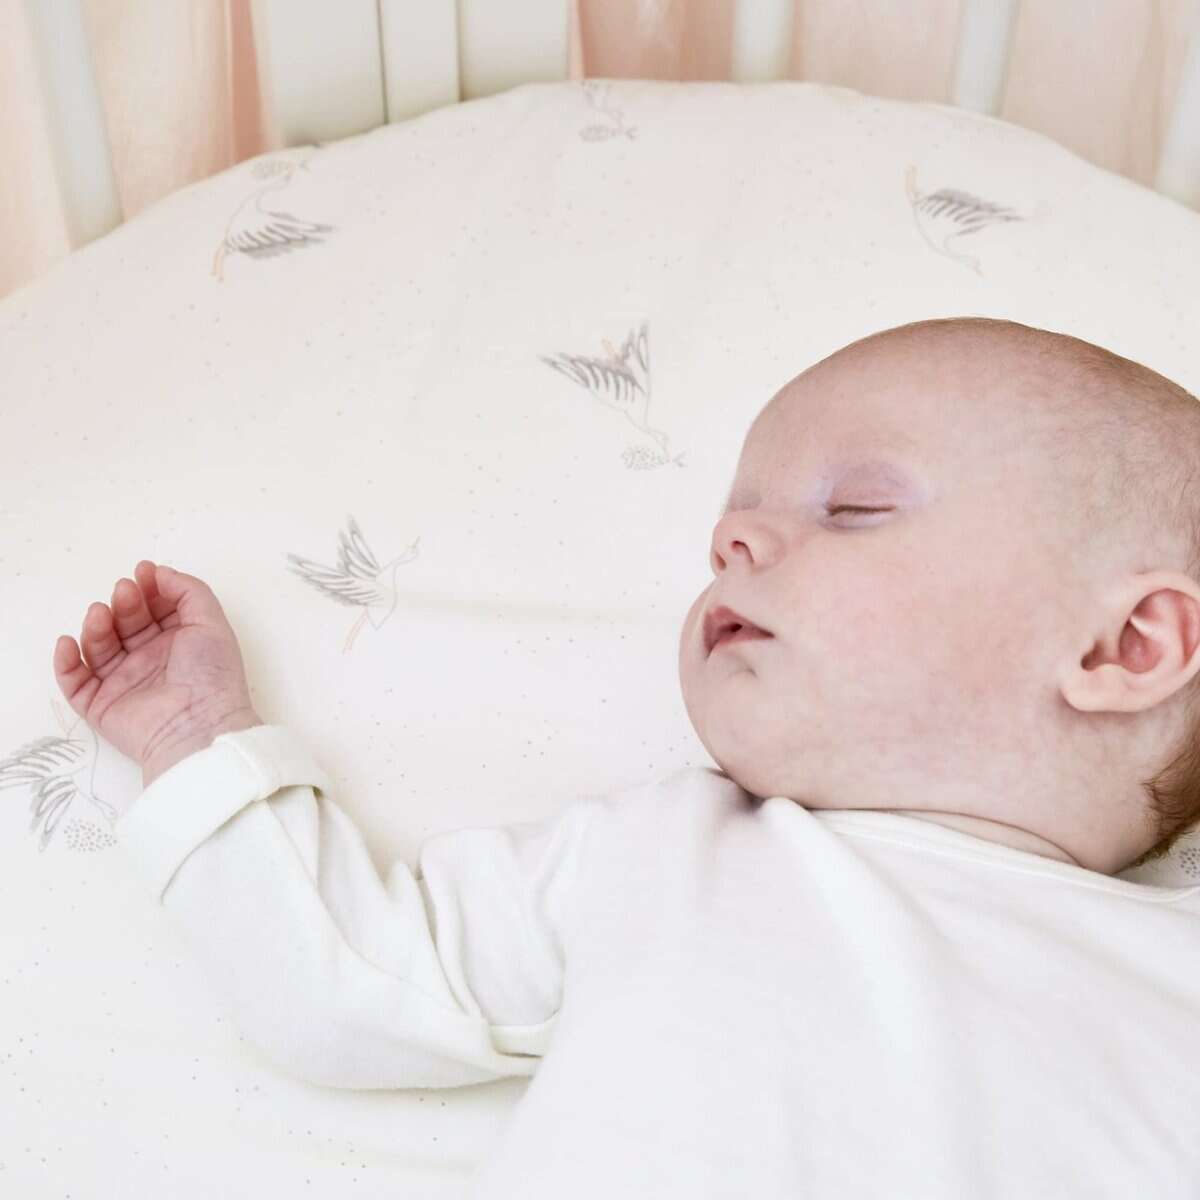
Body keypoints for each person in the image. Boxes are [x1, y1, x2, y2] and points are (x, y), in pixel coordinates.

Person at [51, 317, 1200, 1197]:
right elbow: (350, 984)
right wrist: (193, 739)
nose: (732, 540)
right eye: (729, 529)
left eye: (855, 508)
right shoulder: (661, 851)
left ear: (1127, 645)